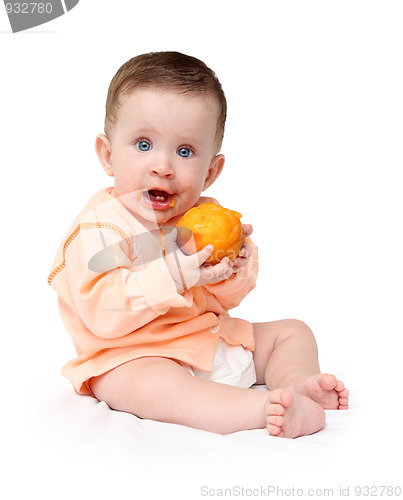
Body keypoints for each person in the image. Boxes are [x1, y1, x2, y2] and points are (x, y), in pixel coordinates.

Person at [48, 51, 349, 438]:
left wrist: (234, 268)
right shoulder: (98, 229)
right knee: (159, 389)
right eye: (143, 144)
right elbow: (104, 314)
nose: (163, 166)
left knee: (292, 331)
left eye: (185, 151)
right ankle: (262, 409)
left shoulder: (203, 216)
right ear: (108, 155)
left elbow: (223, 300)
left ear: (210, 171)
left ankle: (295, 384)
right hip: (131, 356)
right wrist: (174, 274)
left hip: (205, 339)